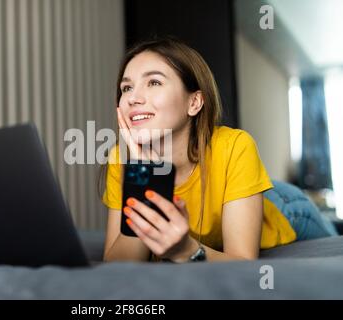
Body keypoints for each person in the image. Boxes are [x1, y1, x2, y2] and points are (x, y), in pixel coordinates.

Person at [101, 37, 337, 263]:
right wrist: (145, 178)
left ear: (194, 103)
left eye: (154, 82)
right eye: (126, 87)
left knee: (335, 237)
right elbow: (116, 265)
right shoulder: (121, 159)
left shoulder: (236, 146)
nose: (132, 98)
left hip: (285, 207)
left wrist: (185, 250)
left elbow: (242, 260)